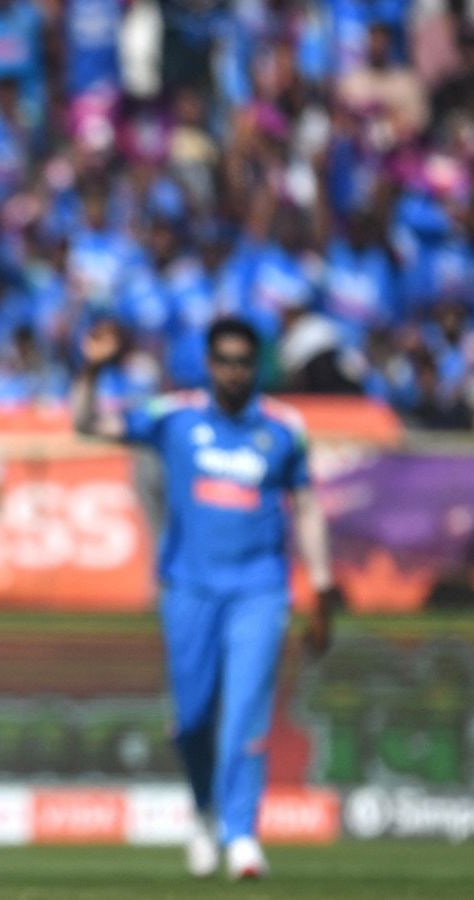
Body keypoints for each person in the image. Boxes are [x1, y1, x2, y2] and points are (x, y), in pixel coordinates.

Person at [74, 317, 341, 881]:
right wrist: (93, 369)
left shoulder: (284, 428)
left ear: (257, 366)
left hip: (259, 590)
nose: (234, 371)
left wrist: (321, 586)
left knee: (244, 714)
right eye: (225, 360)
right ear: (209, 363)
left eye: (244, 361)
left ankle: (241, 835)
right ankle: (202, 811)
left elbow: (307, 507)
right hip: (189, 588)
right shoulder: (175, 417)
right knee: (193, 719)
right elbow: (87, 424)